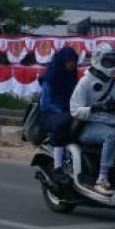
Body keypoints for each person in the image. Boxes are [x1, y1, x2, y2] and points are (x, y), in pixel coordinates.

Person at [70, 44, 115, 194]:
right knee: (110, 136)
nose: (111, 65)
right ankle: (102, 179)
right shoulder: (85, 82)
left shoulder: (112, 82)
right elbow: (75, 110)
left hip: (109, 122)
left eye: (113, 62)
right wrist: (95, 108)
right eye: (107, 62)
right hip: (87, 126)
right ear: (98, 60)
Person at [38, 46, 79, 178]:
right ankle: (57, 166)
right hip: (49, 114)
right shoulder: (50, 77)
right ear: (62, 61)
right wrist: (61, 110)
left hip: (68, 111)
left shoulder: (72, 77)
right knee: (64, 121)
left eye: (74, 61)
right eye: (69, 61)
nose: (72, 64)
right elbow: (45, 103)